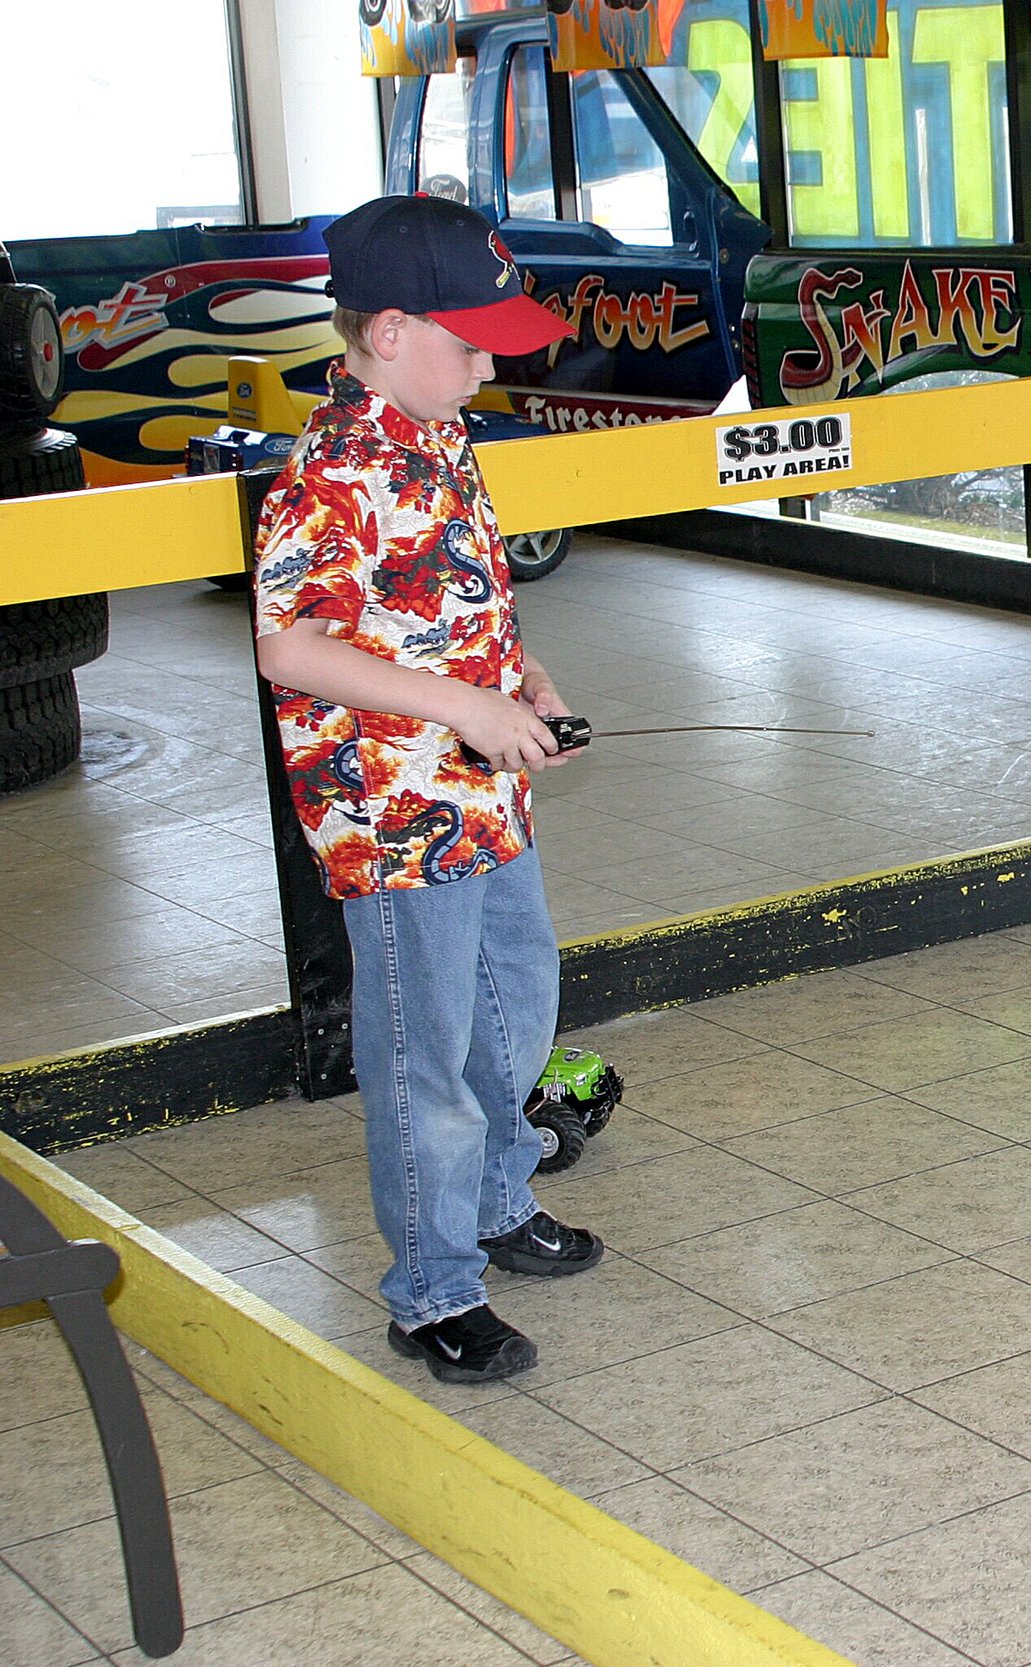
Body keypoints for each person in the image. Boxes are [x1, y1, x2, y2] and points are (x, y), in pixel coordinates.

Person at [253, 194, 601, 1385]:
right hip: (395, 818)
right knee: (429, 1059)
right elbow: (290, 646)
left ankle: (499, 1200)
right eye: (470, 341)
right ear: (388, 330)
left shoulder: (438, 432)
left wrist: (526, 679)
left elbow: (458, 601)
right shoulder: (335, 465)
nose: (490, 361)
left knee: (517, 1004)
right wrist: (464, 708)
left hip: (482, 791)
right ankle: (433, 1290)